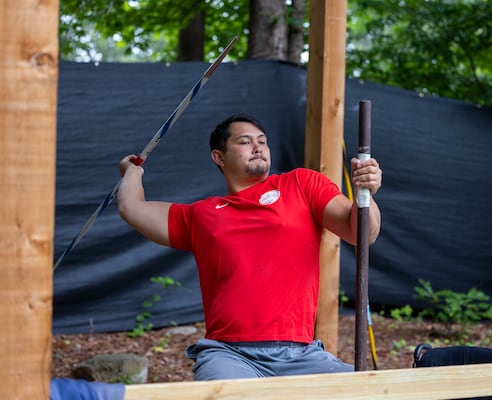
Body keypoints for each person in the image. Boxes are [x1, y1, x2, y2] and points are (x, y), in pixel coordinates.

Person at [117, 113, 382, 380]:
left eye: (263, 141)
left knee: (372, 390)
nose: (258, 147)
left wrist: (365, 192)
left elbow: (362, 233)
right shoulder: (202, 215)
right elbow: (132, 207)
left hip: (301, 356)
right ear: (219, 157)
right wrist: (132, 172)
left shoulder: (301, 184)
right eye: (245, 142)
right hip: (229, 354)